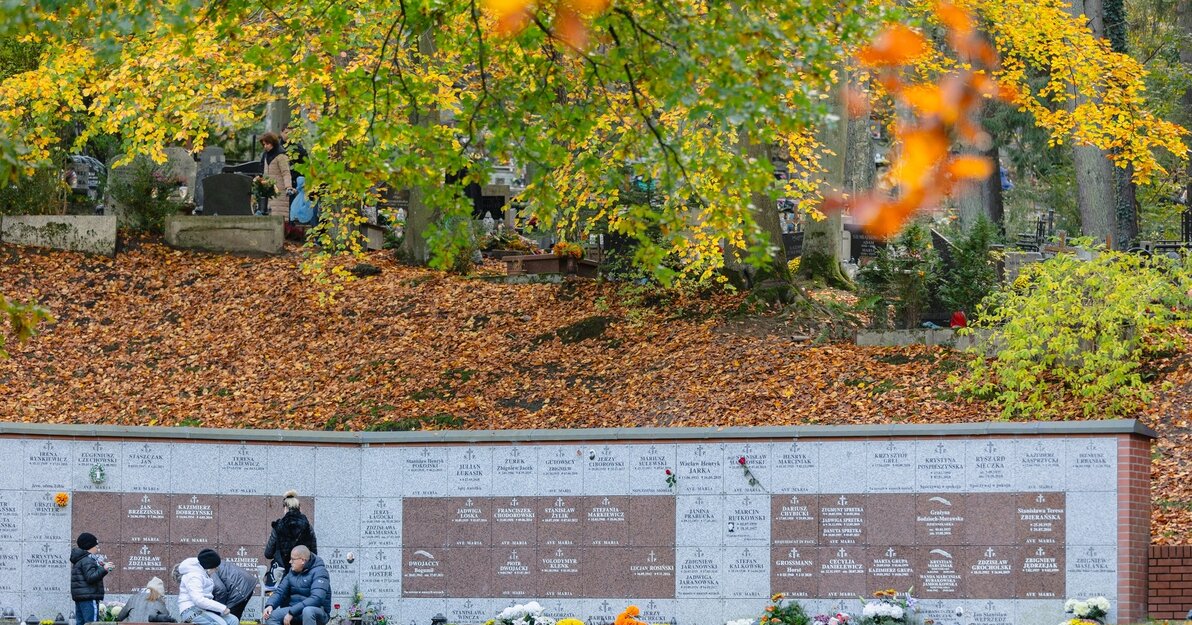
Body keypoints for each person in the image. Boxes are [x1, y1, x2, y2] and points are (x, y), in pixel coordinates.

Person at [262, 546, 330, 625]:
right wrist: (270, 605)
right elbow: (280, 592)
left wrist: (292, 612)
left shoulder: (320, 572)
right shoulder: (292, 572)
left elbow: (317, 598)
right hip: (295, 610)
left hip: (317, 612)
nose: (290, 562)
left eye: (293, 559)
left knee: (308, 611)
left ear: (302, 560)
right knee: (271, 617)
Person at [177, 549, 239, 625]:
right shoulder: (194, 576)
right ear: (208, 567)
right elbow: (198, 600)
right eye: (215, 567)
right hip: (189, 611)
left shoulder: (204, 574)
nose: (216, 570)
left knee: (233, 620)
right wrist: (222, 608)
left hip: (204, 609)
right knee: (220, 623)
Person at [265, 490, 317, 574]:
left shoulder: (278, 526)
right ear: (299, 508)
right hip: (302, 573)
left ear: (286, 508)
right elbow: (314, 554)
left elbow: (268, 553)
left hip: (281, 573)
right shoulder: (308, 527)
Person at [71, 532, 114, 625]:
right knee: (92, 623)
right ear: (90, 546)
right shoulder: (88, 560)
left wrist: (100, 568)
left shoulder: (79, 559)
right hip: (89, 597)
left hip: (80, 597)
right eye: (96, 546)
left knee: (80, 623)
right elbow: (90, 577)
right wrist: (104, 569)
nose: (98, 548)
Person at [259, 132, 292, 218]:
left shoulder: (281, 156)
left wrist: (288, 187)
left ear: (273, 143)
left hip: (280, 190)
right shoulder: (266, 155)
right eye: (264, 144)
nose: (265, 146)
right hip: (269, 190)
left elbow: (286, 172)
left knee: (280, 216)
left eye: (267, 144)